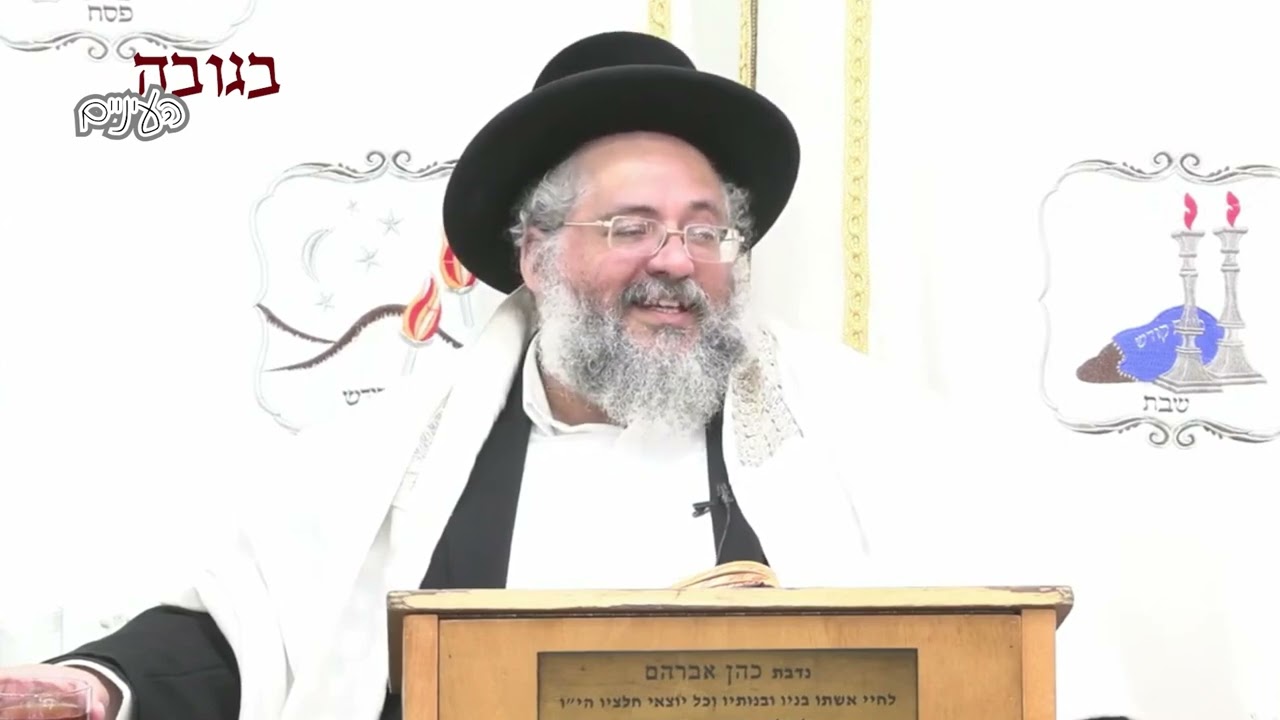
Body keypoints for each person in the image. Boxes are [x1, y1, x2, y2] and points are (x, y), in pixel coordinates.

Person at [0, 31, 1135, 720]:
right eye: (630, 227)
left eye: (705, 229)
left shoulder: (866, 435)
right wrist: (103, 688)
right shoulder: (396, 454)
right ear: (536, 255)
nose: (676, 261)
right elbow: (252, 634)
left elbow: (1016, 655)